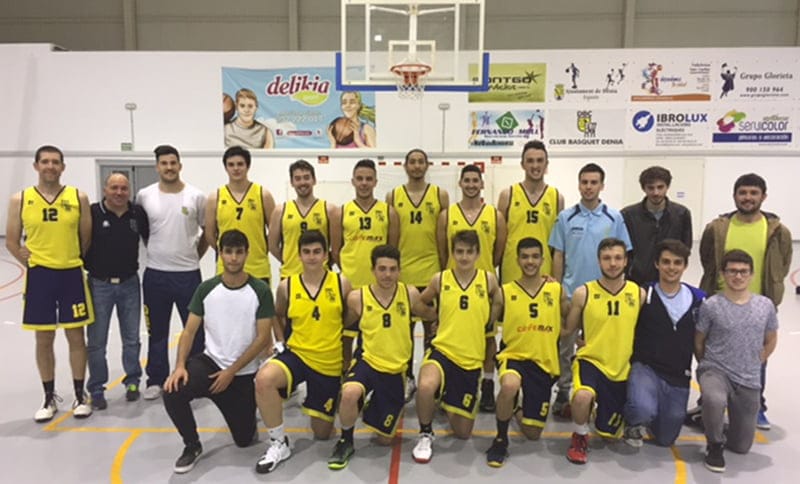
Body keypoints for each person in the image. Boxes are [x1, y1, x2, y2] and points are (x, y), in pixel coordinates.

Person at [163, 230, 274, 474]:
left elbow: (263, 337)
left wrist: (231, 372)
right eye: (228, 252)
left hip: (242, 373)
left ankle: (246, 414)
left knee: (245, 440)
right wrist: (180, 366)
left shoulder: (260, 290)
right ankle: (192, 445)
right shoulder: (206, 289)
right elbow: (189, 331)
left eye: (238, 252)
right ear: (220, 254)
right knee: (172, 390)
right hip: (210, 364)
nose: (233, 258)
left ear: (246, 254)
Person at [696, 173, 792, 430]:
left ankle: (755, 405)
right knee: (712, 354)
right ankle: (709, 399)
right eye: (743, 193)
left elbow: (782, 264)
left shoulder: (778, 231)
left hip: (757, 304)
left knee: (756, 357)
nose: (748, 198)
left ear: (764, 196)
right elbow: (707, 258)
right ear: (734, 196)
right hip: (720, 301)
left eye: (753, 193)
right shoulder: (717, 228)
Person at [5, 145, 94, 421]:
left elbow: (86, 238)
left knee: (76, 337)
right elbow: (11, 240)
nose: (50, 166)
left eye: (56, 162)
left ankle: (80, 395)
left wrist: (68, 258)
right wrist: (31, 264)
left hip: (70, 274)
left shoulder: (77, 196)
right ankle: (49, 396)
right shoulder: (20, 199)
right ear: (36, 166)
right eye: (45, 162)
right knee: (43, 338)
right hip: (40, 277)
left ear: (63, 167)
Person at [327, 245, 434, 470]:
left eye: (393, 269)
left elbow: (428, 313)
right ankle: (346, 440)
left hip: (395, 370)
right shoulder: (358, 297)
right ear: (373, 270)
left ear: (399, 270)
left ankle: (369, 404)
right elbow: (340, 323)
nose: (387, 274)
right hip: (367, 362)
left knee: (385, 440)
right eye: (382, 269)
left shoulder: (410, 293)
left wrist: (445, 318)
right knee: (349, 393)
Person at [254, 230, 352, 474]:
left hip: (328, 361)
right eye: (306, 252)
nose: (311, 257)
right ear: (298, 255)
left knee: (322, 434)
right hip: (297, 355)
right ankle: (278, 442)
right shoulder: (287, 286)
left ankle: (332, 398)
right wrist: (279, 341)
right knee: (264, 379)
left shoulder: (342, 283)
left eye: (317, 252)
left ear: (326, 255)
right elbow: (277, 313)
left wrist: (346, 359)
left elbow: (349, 319)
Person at [412, 230, 502, 464]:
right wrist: (435, 316)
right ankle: (425, 432)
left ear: (477, 254)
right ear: (452, 253)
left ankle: (446, 396)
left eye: (469, 252)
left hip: (471, 359)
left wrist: (488, 321)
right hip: (443, 350)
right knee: (425, 386)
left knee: (463, 433)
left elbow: (499, 300)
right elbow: (420, 302)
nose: (464, 257)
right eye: (459, 252)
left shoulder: (488, 279)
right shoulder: (440, 279)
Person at [549, 163, 632, 417]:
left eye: (593, 182)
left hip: (602, 298)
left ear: (601, 186)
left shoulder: (614, 218)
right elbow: (559, 255)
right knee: (566, 346)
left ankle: (599, 392)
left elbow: (621, 255)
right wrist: (558, 290)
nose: (588, 187)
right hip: (573, 294)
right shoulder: (566, 217)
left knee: (598, 347)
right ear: (579, 185)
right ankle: (564, 391)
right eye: (584, 182)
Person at [486, 237, 568, 468]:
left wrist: (580, 335)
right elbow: (486, 320)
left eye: (534, 257)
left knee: (532, 433)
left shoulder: (556, 289)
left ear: (543, 259)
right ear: (518, 260)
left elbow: (571, 317)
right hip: (513, 355)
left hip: (543, 362)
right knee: (509, 385)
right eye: (525, 257)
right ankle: (500, 439)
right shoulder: (505, 292)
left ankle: (514, 407)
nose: (530, 261)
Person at [561, 238, 644, 464]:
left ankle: (600, 414)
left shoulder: (638, 294)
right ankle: (579, 435)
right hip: (591, 361)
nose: (613, 263)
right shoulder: (583, 293)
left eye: (618, 258)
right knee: (582, 396)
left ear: (626, 261)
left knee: (609, 436)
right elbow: (567, 329)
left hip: (621, 368)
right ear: (599, 261)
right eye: (607, 258)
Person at [695, 250, 778, 473]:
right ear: (723, 274)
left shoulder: (765, 305)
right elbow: (699, 340)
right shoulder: (711, 305)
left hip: (748, 376)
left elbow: (771, 338)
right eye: (732, 271)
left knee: (741, 446)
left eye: (743, 272)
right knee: (713, 398)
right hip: (716, 369)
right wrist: (705, 367)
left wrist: (759, 359)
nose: (738, 276)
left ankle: (711, 419)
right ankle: (714, 444)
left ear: (751, 274)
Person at [137, 145, 209, 401]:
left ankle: (194, 377)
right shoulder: (144, 196)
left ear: (180, 165)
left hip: (188, 275)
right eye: (163, 163)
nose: (169, 167)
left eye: (173, 163)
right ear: (157, 166)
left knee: (195, 330)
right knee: (157, 330)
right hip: (155, 275)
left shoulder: (196, 196)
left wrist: (192, 256)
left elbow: (206, 234)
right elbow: (145, 231)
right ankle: (156, 378)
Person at [622, 239, 705, 447]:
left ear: (685, 265)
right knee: (642, 408)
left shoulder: (698, 298)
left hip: (678, 374)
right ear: (657, 264)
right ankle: (632, 418)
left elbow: (702, 339)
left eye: (677, 263)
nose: (671, 268)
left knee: (666, 438)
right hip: (646, 367)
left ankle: (655, 411)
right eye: (666, 262)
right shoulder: (642, 293)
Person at [439, 164, 507, 412]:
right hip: (455, 285)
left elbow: (498, 251)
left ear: (481, 183)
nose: (470, 184)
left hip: (483, 284)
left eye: (474, 181)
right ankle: (448, 382)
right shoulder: (447, 215)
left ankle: (487, 385)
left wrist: (487, 271)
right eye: (466, 180)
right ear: (460, 184)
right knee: (452, 337)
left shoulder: (495, 215)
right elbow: (443, 250)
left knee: (488, 338)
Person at [387, 148, 449, 402]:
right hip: (404, 275)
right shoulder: (394, 195)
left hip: (432, 271)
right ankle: (407, 378)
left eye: (420, 162)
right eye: (412, 162)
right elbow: (391, 236)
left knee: (433, 330)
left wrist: (445, 270)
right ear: (405, 166)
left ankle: (430, 378)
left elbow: (444, 234)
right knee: (405, 332)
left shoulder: (440, 195)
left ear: (427, 165)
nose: (416, 166)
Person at [84, 172, 149, 409]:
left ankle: (132, 381)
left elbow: (151, 240)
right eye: (114, 188)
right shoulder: (92, 213)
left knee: (131, 338)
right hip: (99, 285)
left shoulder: (137, 214)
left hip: (130, 284)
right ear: (105, 189)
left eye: (123, 188)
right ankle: (96, 388)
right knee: (96, 342)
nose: (119, 192)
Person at [334, 159, 399, 370]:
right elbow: (335, 250)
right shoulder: (341, 212)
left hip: (379, 288)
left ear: (375, 182)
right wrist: (348, 272)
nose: (364, 183)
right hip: (350, 285)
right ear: (352, 181)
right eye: (360, 179)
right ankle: (344, 378)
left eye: (368, 179)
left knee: (377, 337)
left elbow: (392, 249)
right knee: (346, 338)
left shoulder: (388, 212)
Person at [204, 146, 276, 284]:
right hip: (225, 269)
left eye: (240, 164)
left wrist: (259, 248)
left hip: (257, 268)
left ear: (248, 166)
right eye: (231, 165)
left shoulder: (262, 195)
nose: (236, 168)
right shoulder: (216, 197)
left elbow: (274, 233)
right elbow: (210, 234)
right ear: (225, 168)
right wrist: (227, 252)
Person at [497, 140, 563, 285]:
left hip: (543, 270)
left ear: (546, 164)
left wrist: (557, 278)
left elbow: (558, 245)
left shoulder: (556, 197)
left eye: (540, 161)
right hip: (512, 268)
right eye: (530, 161)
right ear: (522, 164)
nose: (535, 166)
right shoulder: (508, 195)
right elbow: (499, 239)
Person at [269, 159, 340, 281]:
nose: (302, 182)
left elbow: (336, 248)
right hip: (290, 276)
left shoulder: (329, 210)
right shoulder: (280, 211)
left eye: (306, 177)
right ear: (291, 182)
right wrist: (289, 260)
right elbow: (272, 246)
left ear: (314, 180)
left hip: (322, 277)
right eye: (298, 178)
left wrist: (324, 262)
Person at [622, 166, 692, 286]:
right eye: (651, 188)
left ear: (667, 187)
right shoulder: (628, 215)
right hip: (636, 281)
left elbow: (685, 248)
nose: (656, 192)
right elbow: (624, 249)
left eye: (660, 187)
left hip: (669, 281)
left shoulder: (681, 214)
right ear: (643, 188)